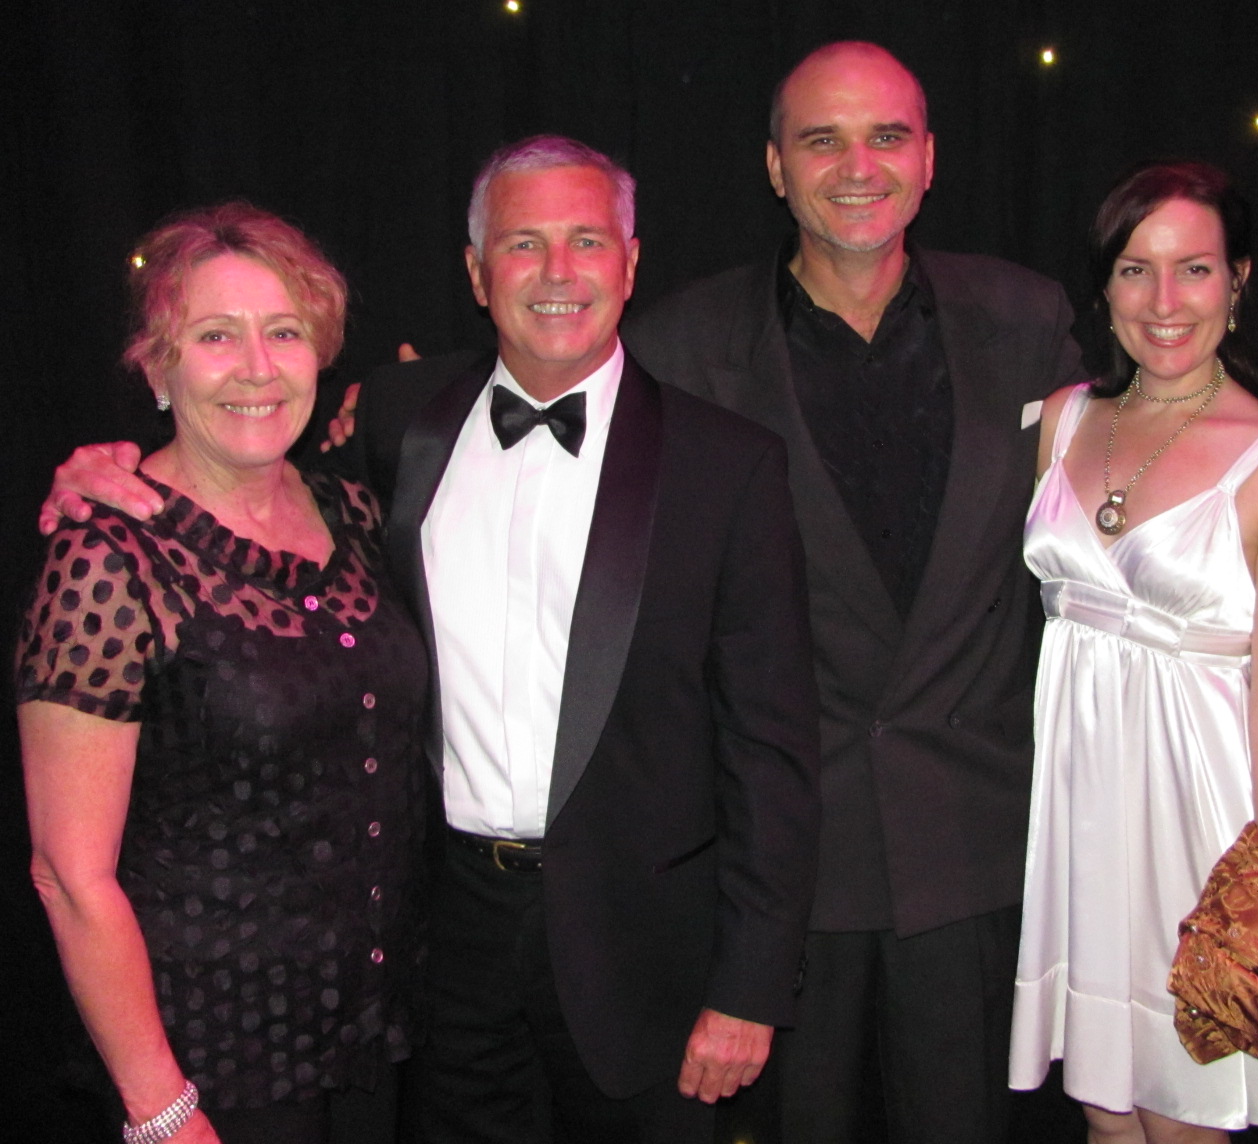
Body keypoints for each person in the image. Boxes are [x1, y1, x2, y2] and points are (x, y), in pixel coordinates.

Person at [35, 136, 822, 1144]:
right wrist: (107, 467)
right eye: (522, 243)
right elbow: (233, 457)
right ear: (475, 272)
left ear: (630, 262)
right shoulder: (403, 420)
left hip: (644, 957)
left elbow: (775, 752)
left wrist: (751, 985)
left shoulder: (729, 466)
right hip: (435, 954)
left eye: (587, 240)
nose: (556, 272)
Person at [623, 40, 1258, 1143]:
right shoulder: (680, 345)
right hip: (788, 865)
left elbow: (1164, 397)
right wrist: (394, 411)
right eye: (822, 138)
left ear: (928, 160)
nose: (857, 164)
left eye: (887, 136)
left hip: (989, 849)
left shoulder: (1020, 320)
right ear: (775, 167)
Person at [17, 203, 431, 1144]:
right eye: (215, 336)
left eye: (283, 332)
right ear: (159, 367)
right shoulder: (106, 555)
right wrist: (161, 1108)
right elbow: (66, 874)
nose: (256, 366)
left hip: (372, 1043)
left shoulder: (352, 509)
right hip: (210, 1071)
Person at [1007, 162, 1258, 1142]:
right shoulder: (1061, 421)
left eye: (1193, 270)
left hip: (1204, 832)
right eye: (1135, 271)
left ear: (1237, 283)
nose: (1163, 301)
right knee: (1108, 1120)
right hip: (1081, 823)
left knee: (1185, 1120)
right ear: (1102, 289)